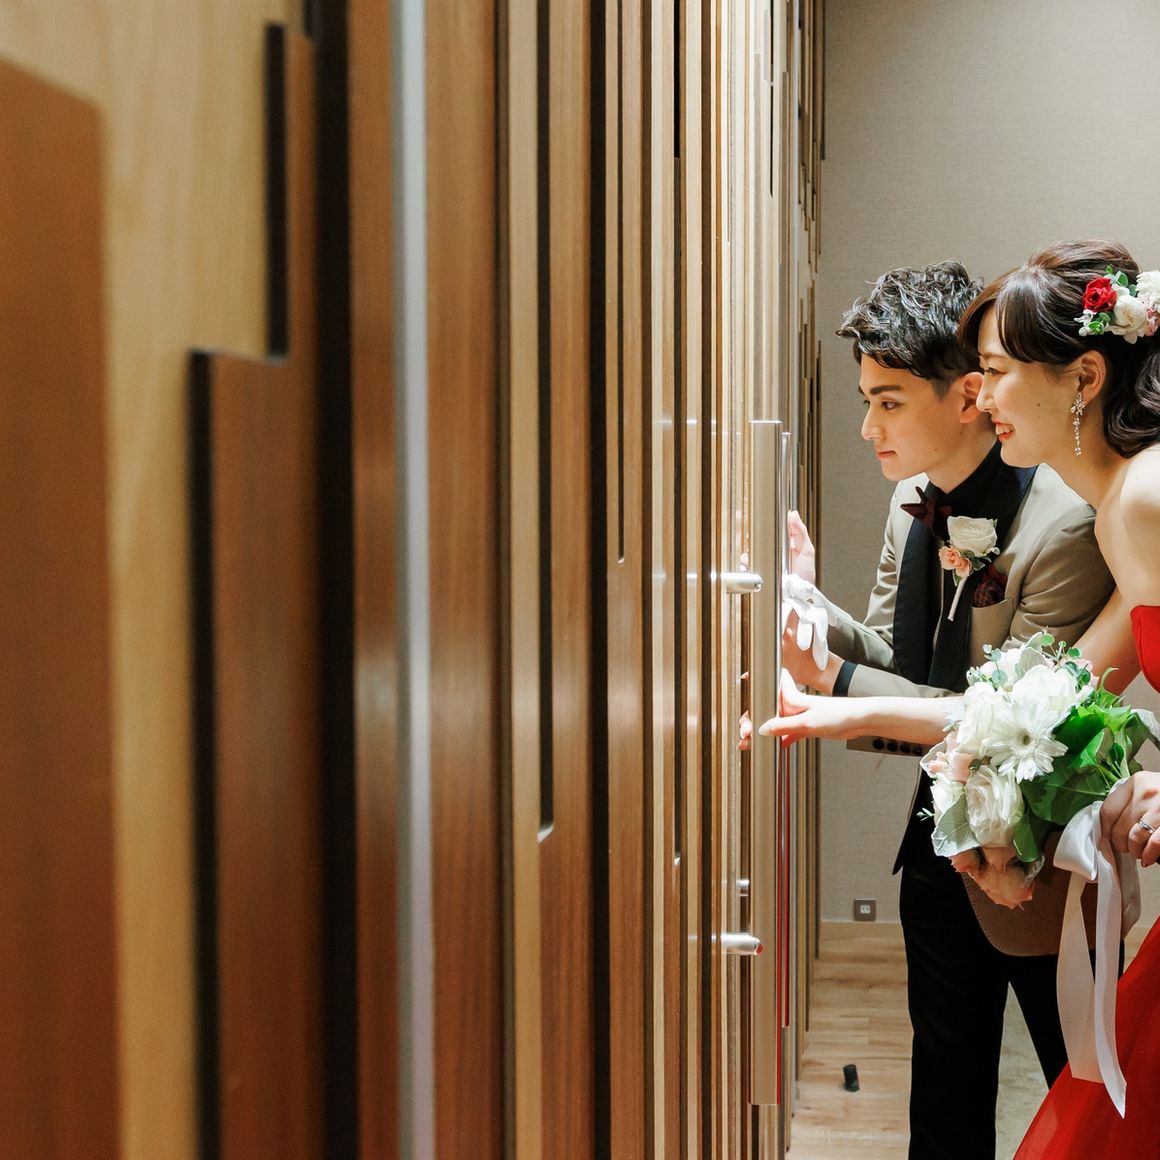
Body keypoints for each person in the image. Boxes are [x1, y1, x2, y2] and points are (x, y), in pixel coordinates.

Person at [764, 240, 1160, 1156]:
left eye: (995, 372)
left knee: (1095, 1087)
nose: (984, 394)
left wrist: (844, 703)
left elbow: (1025, 715)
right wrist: (812, 619)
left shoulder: (1123, 504)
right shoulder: (1116, 505)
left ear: (1083, 378)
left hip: (1047, 849)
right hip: (951, 833)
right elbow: (1041, 701)